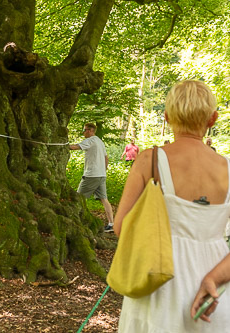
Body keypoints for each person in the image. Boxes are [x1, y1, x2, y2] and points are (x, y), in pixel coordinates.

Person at [114, 80, 230, 332]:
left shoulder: (150, 160)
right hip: (215, 288)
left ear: (166, 117)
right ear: (213, 119)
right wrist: (212, 278)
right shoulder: (228, 169)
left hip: (158, 282)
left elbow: (122, 227)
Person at [69, 123, 114, 232]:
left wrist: (61, 144)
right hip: (101, 175)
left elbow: (74, 147)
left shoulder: (90, 140)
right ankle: (111, 224)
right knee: (104, 199)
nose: (83, 132)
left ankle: (75, 221)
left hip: (91, 175)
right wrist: (103, 170)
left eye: (84, 130)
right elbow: (106, 158)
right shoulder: (99, 141)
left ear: (90, 130)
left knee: (78, 198)